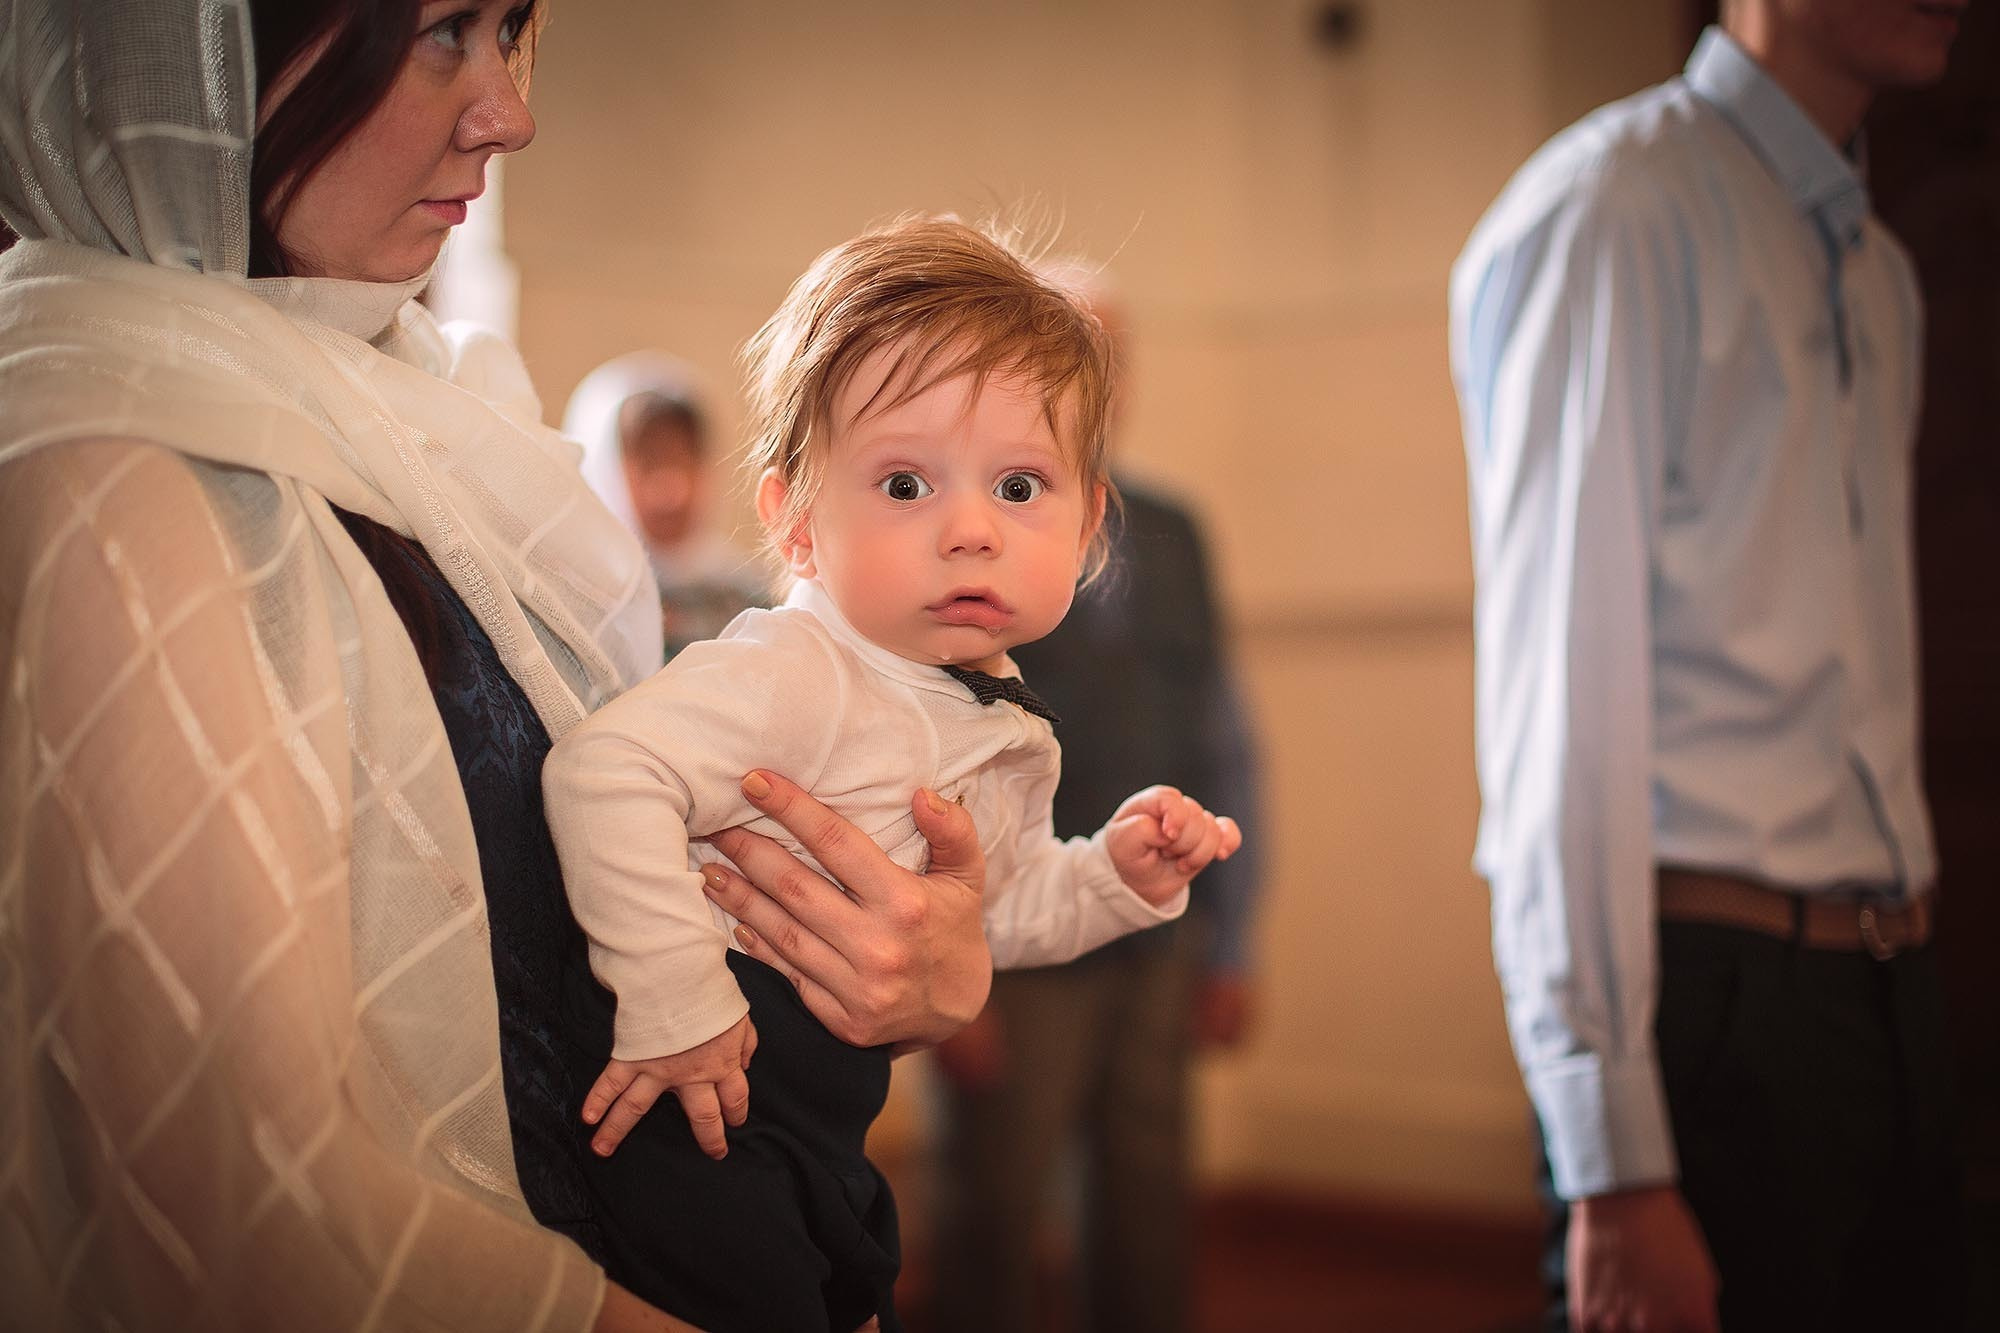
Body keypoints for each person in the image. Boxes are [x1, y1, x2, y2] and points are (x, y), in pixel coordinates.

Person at [0, 4, 998, 1331]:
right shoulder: (100, 477)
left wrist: (898, 961)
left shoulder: (402, 410)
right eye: (438, 36)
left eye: (504, 39)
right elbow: (248, 1207)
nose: (509, 114)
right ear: (197, 58)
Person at [538, 216, 1244, 1333]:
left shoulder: (1001, 716)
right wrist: (672, 996)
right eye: (906, 484)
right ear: (797, 522)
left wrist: (1112, 875)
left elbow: (990, 914)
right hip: (700, 1103)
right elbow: (601, 769)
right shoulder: (797, 665)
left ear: (1087, 522)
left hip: (821, 1122)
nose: (970, 528)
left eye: (1019, 488)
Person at [1449, 4, 1967, 1330]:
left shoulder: (1880, 276)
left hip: (1890, 987)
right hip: (1712, 1008)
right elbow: (1560, 706)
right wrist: (1612, 1157)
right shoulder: (1618, 211)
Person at [929, 286, 1263, 1333]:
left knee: (1148, 1204)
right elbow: (927, 747)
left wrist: (1231, 936)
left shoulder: (1172, 530)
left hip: (1155, 932)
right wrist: (949, 965)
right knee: (992, 1206)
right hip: (1012, 944)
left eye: (1107, 357)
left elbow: (1224, 737)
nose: (1092, 378)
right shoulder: (967, 522)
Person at [564, 353, 768, 661]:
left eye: (685, 461)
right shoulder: (575, 600)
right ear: (604, 469)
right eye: (649, 463)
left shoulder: (751, 602)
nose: (673, 489)